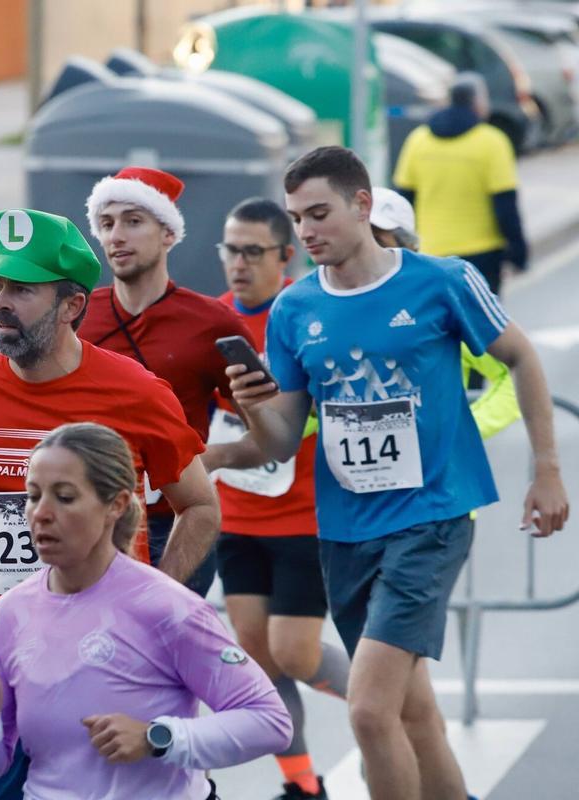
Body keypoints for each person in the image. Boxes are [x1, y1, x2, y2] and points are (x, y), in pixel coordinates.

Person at [215, 146, 568, 800]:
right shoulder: (294, 309)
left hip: (432, 517)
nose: (307, 230)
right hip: (345, 530)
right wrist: (250, 412)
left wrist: (547, 469)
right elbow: (283, 438)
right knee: (410, 711)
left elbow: (520, 357)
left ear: (362, 204)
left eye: (319, 213)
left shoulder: (443, 281)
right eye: (297, 217)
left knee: (369, 710)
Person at [0, 207, 218, 799]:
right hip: (8, 661)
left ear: (72, 305)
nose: (2, 302)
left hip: (113, 663)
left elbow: (200, 505)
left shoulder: (134, 391)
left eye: (23, 290)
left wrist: (156, 598)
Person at [0, 422, 292, 799]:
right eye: (33, 495)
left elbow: (270, 721)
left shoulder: (167, 608)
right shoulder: (8, 615)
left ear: (115, 504)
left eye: (64, 497)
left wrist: (158, 737)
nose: (41, 513)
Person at [203, 198, 351, 800]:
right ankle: (303, 784)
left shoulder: (304, 312)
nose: (238, 263)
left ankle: (394, 704)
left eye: (252, 251)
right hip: (237, 515)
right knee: (260, 658)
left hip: (303, 514)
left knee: (295, 651)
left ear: (284, 255)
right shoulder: (211, 320)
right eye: (230, 250)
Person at [79, 166, 252, 596]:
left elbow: (267, 428)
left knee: (163, 635)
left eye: (133, 221)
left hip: (178, 519)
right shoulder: (76, 315)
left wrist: (212, 458)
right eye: (106, 224)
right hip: (88, 520)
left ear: (168, 234)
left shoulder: (213, 322)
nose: (117, 236)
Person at [370, 186, 522, 431]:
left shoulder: (440, 304)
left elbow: (514, 375)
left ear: (409, 247)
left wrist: (463, 431)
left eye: (376, 240)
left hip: (440, 459)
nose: (365, 252)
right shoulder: (326, 307)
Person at [393, 72, 528, 296]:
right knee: (482, 316)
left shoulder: (418, 140)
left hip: (431, 252)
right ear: (478, 102)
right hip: (482, 254)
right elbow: (505, 204)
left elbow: (404, 199)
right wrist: (518, 252)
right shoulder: (492, 142)